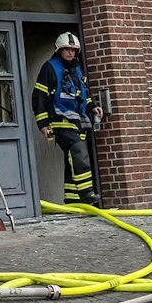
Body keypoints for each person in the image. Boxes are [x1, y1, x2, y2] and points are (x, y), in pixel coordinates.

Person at [33, 32, 101, 205]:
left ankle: (73, 201)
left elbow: (82, 94)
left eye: (73, 50)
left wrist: (92, 107)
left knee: (72, 160)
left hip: (78, 121)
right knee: (79, 153)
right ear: (59, 50)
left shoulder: (76, 69)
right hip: (60, 121)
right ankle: (87, 195)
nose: (70, 53)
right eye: (67, 49)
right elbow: (39, 96)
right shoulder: (49, 68)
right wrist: (43, 124)